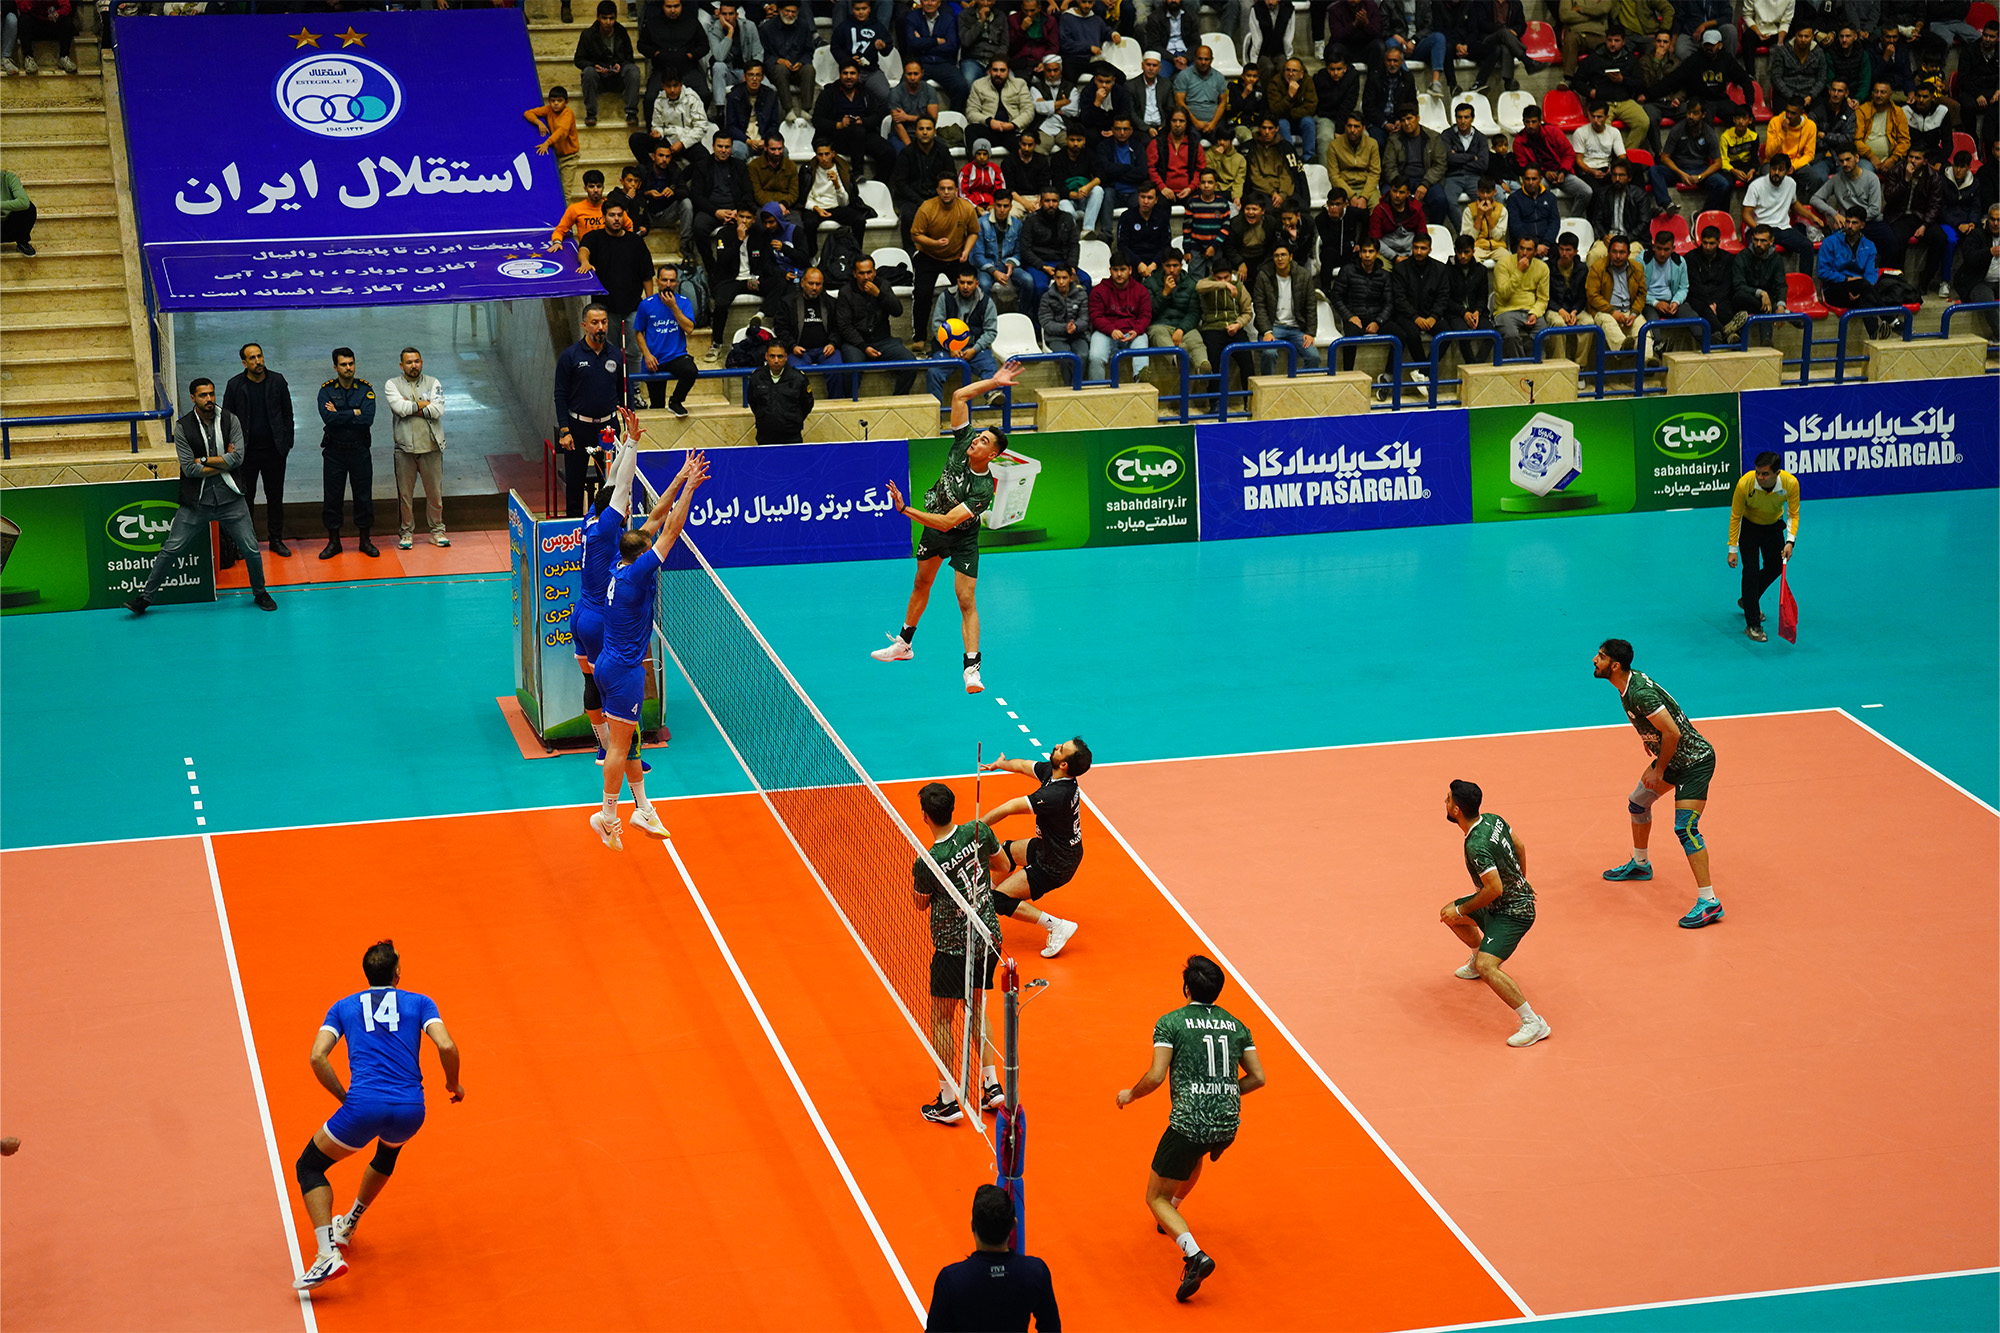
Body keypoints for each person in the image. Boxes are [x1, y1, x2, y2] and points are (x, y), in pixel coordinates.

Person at [290, 939, 461, 1290]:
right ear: (397, 973)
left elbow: (317, 1057)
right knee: (387, 1153)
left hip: (363, 1107)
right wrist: (452, 1084)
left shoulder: (342, 1007)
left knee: (309, 1167)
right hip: (411, 1110)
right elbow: (445, 1044)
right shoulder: (421, 1002)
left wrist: (345, 1098)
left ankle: (327, 1254)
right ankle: (350, 1223)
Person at [1115, 955, 1265, 1305]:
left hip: (1189, 1125)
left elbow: (1156, 1076)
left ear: (1186, 989)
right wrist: (1222, 1092)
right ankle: (1173, 1212)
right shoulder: (1237, 1026)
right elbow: (1258, 1078)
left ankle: (1194, 1255)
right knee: (1194, 1155)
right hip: (1228, 1124)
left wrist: (1130, 1095)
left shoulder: (1171, 1023)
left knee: (1154, 1197)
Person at [870, 358, 1024, 694]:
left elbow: (947, 521)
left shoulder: (983, 489)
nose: (976, 441)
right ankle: (904, 644)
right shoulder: (961, 442)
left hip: (961, 538)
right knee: (921, 582)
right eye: (978, 436)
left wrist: (905, 510)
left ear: (993, 455)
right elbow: (958, 397)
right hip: (934, 531)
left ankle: (972, 669)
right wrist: (994, 382)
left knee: (965, 599)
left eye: (984, 441)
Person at [590, 452, 708, 851]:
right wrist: (691, 489)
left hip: (608, 664)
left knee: (629, 740)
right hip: (624, 672)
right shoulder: (638, 574)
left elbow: (656, 519)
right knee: (617, 747)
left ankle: (643, 808)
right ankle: (607, 817)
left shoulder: (619, 563)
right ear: (642, 556)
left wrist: (680, 477)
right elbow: (670, 530)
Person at [1594, 638, 1723, 928]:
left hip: (1694, 762)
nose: (1594, 659)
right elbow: (1662, 724)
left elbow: (1673, 733)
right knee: (1638, 803)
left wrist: (1659, 769)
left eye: (1600, 656)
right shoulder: (1626, 684)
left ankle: (1710, 901)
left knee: (1685, 828)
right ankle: (1641, 865)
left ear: (1615, 666)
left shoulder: (1639, 693)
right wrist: (1650, 738)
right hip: (1673, 757)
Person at [124, 378, 277, 616]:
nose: (209, 399)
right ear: (193, 398)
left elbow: (237, 459)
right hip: (196, 502)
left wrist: (204, 460)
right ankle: (145, 598)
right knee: (170, 549)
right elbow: (190, 469)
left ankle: (260, 592)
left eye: (212, 394)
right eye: (203, 395)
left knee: (251, 549)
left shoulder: (230, 420)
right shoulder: (183, 427)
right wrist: (223, 462)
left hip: (231, 499)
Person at [910, 780, 1006, 1125]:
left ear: (925, 816)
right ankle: (992, 1086)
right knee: (977, 1007)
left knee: (941, 1019)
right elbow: (1002, 865)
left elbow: (920, 904)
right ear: (952, 808)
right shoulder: (978, 831)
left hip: (952, 950)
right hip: (988, 939)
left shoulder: (928, 861)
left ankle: (948, 1101)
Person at [1440, 780, 1550, 1048]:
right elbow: (1520, 846)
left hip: (1514, 912)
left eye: (1448, 799)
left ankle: (1533, 1023)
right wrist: (1520, 880)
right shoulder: (1493, 819)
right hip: (1500, 903)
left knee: (1488, 966)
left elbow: (1494, 889)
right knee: (1449, 914)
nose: (1445, 802)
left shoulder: (1475, 845)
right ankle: (1477, 957)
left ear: (1456, 810)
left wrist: (1463, 908)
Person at [978, 741, 1089, 958]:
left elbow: (1009, 808)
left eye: (1061, 749)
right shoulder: (1055, 773)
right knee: (1005, 852)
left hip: (1056, 864)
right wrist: (1001, 764)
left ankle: (1057, 926)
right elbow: (1023, 765)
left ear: (1064, 764)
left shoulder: (1055, 795)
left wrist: (974, 828)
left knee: (999, 900)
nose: (1056, 745)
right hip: (1051, 847)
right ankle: (985, 898)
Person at [925, 1184, 1061, 1333]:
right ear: (1014, 1224)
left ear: (972, 1225)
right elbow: (1051, 1328)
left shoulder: (951, 1279)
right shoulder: (1036, 1272)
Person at [223, 342, 294, 559]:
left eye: (260, 356)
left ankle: (276, 539)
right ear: (244, 363)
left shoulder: (277, 381)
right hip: (247, 454)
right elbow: (227, 419)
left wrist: (286, 443)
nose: (258, 361)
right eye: (252, 358)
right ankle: (246, 542)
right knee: (246, 499)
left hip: (274, 451)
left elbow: (287, 414)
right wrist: (232, 448)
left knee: (275, 497)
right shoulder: (235, 385)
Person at [553, 304, 624, 519]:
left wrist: (627, 425)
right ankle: (574, 527)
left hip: (609, 428)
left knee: (610, 484)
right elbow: (560, 395)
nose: (600, 327)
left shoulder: (616, 354)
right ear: (584, 325)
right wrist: (565, 430)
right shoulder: (570, 356)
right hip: (578, 429)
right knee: (575, 484)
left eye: (604, 322)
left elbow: (623, 392)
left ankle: (606, 526)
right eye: (595, 323)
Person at [1727, 450, 1799, 644]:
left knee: (1775, 567)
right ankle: (1753, 625)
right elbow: (1735, 516)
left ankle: (1749, 599)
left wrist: (1790, 542)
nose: (1760, 477)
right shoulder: (1745, 484)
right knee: (1750, 572)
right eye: (1758, 472)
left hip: (1773, 527)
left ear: (1777, 473)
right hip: (1750, 528)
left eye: (1765, 474)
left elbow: (1793, 514)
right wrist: (1732, 549)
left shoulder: (1790, 484)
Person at [381, 347, 447, 552]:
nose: (414, 365)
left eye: (417, 361)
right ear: (401, 365)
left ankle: (437, 532)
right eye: (409, 362)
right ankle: (406, 533)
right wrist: (424, 404)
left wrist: (411, 406)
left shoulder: (433, 382)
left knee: (435, 494)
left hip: (431, 447)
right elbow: (399, 409)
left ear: (422, 362)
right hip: (405, 450)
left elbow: (438, 410)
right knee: (405, 497)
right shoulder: (392, 384)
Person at [317, 348, 377, 559]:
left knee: (363, 496)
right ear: (335, 367)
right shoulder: (326, 390)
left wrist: (340, 414)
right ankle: (334, 542)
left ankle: (365, 540)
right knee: (332, 497)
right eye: (343, 364)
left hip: (359, 450)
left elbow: (367, 419)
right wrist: (354, 412)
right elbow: (328, 419)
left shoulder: (365, 389)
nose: (348, 368)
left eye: (351, 363)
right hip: (334, 452)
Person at [836, 256, 920, 394]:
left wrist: (880, 295)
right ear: (855, 274)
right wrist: (864, 347)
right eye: (861, 273)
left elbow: (898, 311)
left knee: (910, 363)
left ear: (874, 272)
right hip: (856, 343)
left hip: (883, 341)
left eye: (869, 272)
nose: (866, 277)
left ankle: (897, 401)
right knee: (852, 369)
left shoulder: (883, 285)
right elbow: (844, 325)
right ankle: (851, 403)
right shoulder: (846, 292)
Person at [928, 265, 1002, 403]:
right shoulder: (946, 297)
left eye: (969, 283)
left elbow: (990, 331)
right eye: (962, 282)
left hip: (974, 347)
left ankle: (993, 394)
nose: (965, 287)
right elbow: (937, 325)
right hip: (947, 348)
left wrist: (975, 349)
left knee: (989, 366)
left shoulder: (986, 302)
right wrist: (951, 347)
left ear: (977, 283)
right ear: (957, 282)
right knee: (934, 372)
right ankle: (936, 409)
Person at [815, 61, 893, 180]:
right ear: (840, 75)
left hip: (864, 133)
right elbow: (817, 120)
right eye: (845, 73)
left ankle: (879, 183)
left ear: (858, 75)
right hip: (837, 137)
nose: (849, 77)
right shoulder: (829, 93)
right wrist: (839, 124)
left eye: (852, 73)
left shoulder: (865, 92)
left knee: (888, 151)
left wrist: (862, 121)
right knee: (857, 131)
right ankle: (857, 173)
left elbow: (876, 116)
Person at [574, 1, 642, 128]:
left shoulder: (621, 32)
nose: (608, 22)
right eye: (604, 18)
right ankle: (591, 113)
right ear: (598, 17)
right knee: (588, 72)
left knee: (633, 70)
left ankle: (631, 113)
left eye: (611, 18)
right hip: (598, 78)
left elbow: (629, 58)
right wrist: (594, 66)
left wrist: (620, 65)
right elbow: (579, 60)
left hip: (618, 77)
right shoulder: (588, 35)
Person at [1253, 242, 1318, 372]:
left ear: (1291, 257)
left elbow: (1311, 305)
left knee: (1313, 357)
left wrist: (1310, 332)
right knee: (1269, 353)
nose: (1280, 258)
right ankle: (1267, 383)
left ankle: (1301, 384)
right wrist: (1267, 331)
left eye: (1283, 255)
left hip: (1297, 328)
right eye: (1276, 256)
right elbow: (1259, 306)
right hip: (1273, 327)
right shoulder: (1264, 275)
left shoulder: (1303, 275)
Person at [1087, 251, 1152, 381]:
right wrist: (1111, 330)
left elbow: (1145, 315)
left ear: (1130, 270)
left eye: (1123, 269)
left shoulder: (1141, 290)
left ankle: (1141, 384)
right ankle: (1097, 388)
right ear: (1110, 270)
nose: (1119, 274)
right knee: (1095, 356)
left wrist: (1137, 330)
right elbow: (1096, 316)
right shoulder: (1098, 291)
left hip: (1133, 332)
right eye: (1115, 270)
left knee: (1142, 344)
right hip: (1106, 333)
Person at [1145, 249, 1209, 377]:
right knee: (1158, 334)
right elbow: (1149, 312)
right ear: (1162, 266)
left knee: (1196, 339)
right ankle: (1178, 357)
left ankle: (1203, 368)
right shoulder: (1150, 282)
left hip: (1183, 324)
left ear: (1181, 265)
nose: (1172, 270)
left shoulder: (1190, 284)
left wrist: (1181, 329)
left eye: (1175, 266)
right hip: (1160, 324)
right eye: (1168, 266)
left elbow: (1194, 313)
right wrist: (1165, 293)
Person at [1586, 233, 1647, 352]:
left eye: (1622, 252)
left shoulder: (1637, 268)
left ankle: (1647, 360)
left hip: (1629, 311)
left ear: (1628, 254)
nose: (1618, 256)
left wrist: (1634, 313)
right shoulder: (1597, 267)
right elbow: (1592, 296)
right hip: (1605, 311)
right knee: (1608, 322)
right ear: (1608, 252)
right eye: (1614, 252)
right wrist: (1612, 311)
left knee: (1643, 329)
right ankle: (1622, 349)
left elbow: (1641, 294)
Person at [1492, 233, 1549, 358]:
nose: (1524, 253)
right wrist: (1518, 271)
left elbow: (1543, 299)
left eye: (1529, 250)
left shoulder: (1542, 268)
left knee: (1544, 334)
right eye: (1521, 248)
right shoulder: (1503, 264)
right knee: (1511, 335)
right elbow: (1503, 294)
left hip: (1530, 310)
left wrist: (1534, 313)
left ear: (1535, 252)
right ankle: (1520, 364)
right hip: (1506, 310)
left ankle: (1527, 358)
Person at [760, 0, 818, 123]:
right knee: (780, 69)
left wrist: (801, 62)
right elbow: (763, 54)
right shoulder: (767, 28)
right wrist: (778, 60)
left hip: (797, 67)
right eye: (787, 11)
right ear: (780, 10)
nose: (790, 15)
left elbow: (809, 51)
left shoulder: (803, 26)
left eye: (793, 12)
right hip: (776, 69)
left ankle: (806, 109)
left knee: (809, 69)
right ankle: (788, 109)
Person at [745, 340, 814, 443]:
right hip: (765, 436)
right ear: (766, 356)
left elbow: (807, 404)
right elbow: (753, 402)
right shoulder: (756, 378)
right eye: (772, 356)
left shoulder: (798, 378)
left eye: (780, 356)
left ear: (786, 357)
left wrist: (793, 420)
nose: (776, 360)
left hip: (792, 436)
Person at [525, 85, 581, 201]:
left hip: (569, 158)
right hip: (556, 156)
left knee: (565, 193)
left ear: (566, 102)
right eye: (552, 101)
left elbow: (562, 132)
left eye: (559, 101)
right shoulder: (548, 110)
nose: (555, 103)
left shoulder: (568, 113)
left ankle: (565, 213)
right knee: (552, 191)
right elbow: (528, 113)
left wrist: (547, 143)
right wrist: (539, 123)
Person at [723, 62, 784, 162]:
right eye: (751, 75)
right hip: (744, 140)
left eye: (758, 75)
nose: (754, 79)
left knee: (783, 151)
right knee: (737, 149)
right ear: (745, 77)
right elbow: (731, 126)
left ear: (762, 77)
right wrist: (747, 141)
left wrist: (766, 140)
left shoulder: (771, 95)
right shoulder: (734, 95)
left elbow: (774, 124)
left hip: (764, 139)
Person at [1685, 225, 1736, 338]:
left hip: (1720, 297)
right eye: (1705, 243)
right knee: (1705, 310)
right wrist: (1709, 302)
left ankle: (1728, 335)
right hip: (1699, 297)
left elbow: (1727, 284)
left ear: (1719, 242)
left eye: (1712, 243)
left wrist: (1715, 302)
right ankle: (1726, 334)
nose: (1708, 247)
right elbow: (1695, 284)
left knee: (1726, 311)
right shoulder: (1691, 257)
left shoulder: (1727, 258)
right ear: (1700, 241)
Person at [1039, 263, 1094, 363]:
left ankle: (1079, 374)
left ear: (1071, 278)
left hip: (1078, 335)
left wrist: (1075, 327)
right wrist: (1065, 328)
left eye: (1064, 278)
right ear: (1054, 278)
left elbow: (1085, 319)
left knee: (1083, 355)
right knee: (1065, 357)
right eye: (1058, 278)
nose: (1061, 282)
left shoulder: (1081, 295)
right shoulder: (1046, 297)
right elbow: (1046, 323)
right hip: (1055, 338)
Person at [973, 194, 1024, 302]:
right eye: (999, 205)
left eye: (1005, 206)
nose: (1002, 210)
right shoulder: (981, 223)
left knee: (1028, 281)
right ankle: (986, 312)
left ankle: (1025, 311)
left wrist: (1012, 263)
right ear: (993, 205)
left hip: (1007, 264)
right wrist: (994, 271)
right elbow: (977, 255)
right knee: (984, 284)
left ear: (1011, 207)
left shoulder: (1017, 224)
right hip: (987, 265)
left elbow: (1019, 252)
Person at [550, 170, 608, 252]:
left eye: (599, 186)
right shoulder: (575, 209)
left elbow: (627, 227)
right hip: (587, 252)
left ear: (603, 188)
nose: (595, 190)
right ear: (585, 189)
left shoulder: (612, 207)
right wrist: (557, 242)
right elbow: (560, 230)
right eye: (591, 187)